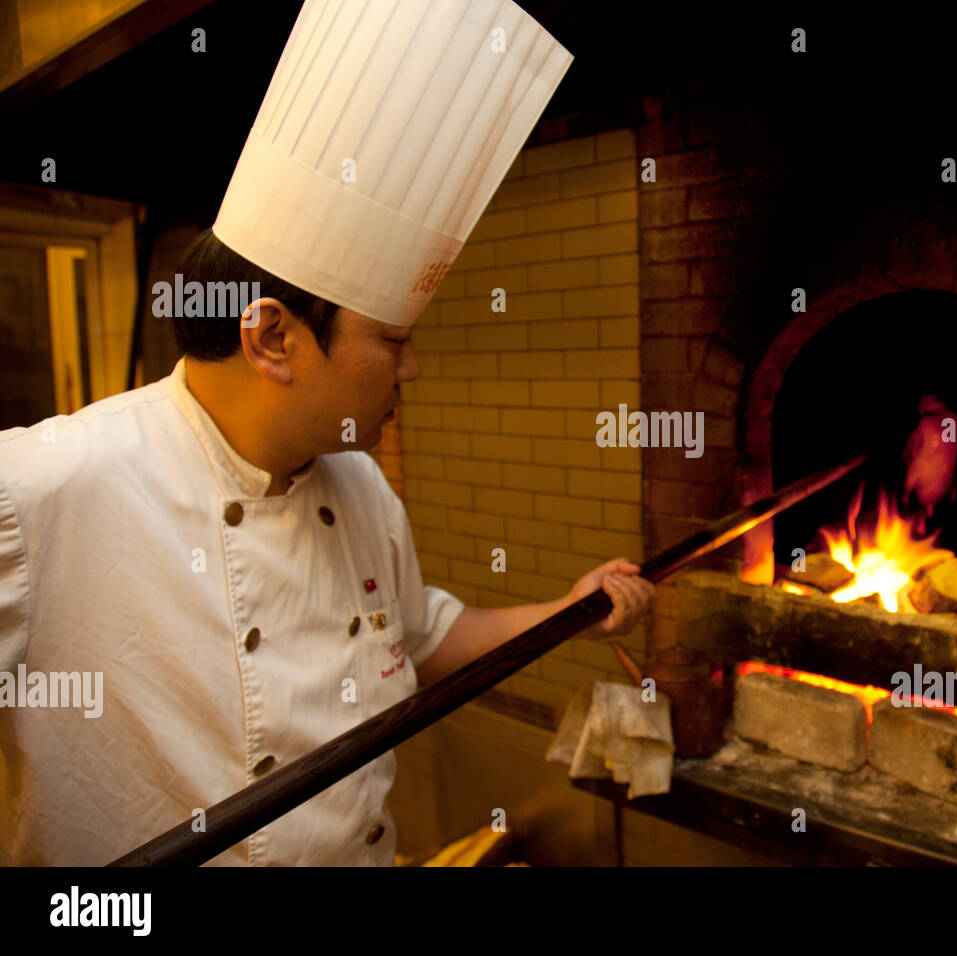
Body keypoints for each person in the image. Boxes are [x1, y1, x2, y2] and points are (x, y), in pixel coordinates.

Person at [0, 0, 635, 865]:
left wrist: (566, 611)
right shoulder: (48, 491)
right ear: (272, 340)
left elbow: (421, 635)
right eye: (393, 342)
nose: (409, 373)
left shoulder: (358, 481)